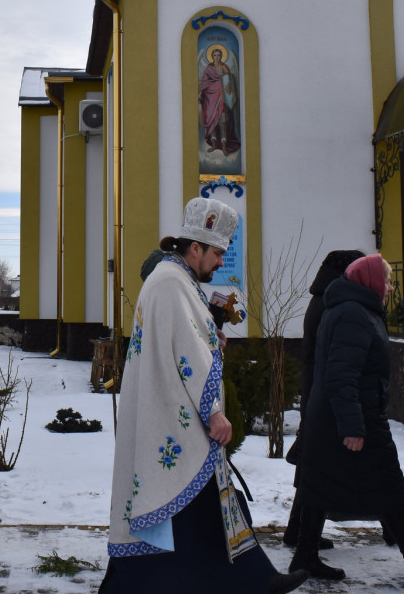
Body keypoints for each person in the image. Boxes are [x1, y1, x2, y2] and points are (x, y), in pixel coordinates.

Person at [101, 196, 306, 594]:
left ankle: (256, 579)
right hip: (175, 421)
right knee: (186, 506)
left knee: (202, 505)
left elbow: (189, 342)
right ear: (194, 247)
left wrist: (213, 338)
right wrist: (213, 411)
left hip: (169, 418)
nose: (219, 262)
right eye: (216, 253)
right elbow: (187, 356)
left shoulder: (172, 280)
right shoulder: (172, 284)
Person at [292, 254, 404, 585]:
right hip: (354, 418)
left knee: (321, 486)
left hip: (340, 416)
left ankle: (305, 556)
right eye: (388, 279)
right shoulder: (353, 313)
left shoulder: (355, 309)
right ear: (370, 281)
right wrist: (352, 426)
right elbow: (341, 374)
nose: (391, 286)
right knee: (387, 486)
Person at [282, 249, 363, 549]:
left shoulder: (324, 296)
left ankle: (298, 531)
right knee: (316, 466)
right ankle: (299, 535)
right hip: (322, 391)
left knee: (315, 464)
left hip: (317, 389)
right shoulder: (331, 301)